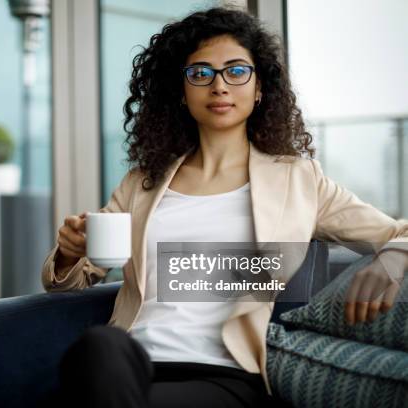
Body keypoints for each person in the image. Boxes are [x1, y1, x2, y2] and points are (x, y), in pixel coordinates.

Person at [38, 6, 408, 408]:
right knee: (100, 344)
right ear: (181, 92)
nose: (219, 86)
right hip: (131, 362)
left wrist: (388, 261)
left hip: (224, 374)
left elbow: (398, 232)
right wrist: (70, 254)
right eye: (200, 73)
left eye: (236, 71)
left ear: (260, 86)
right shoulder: (142, 183)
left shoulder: (300, 181)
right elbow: (71, 280)